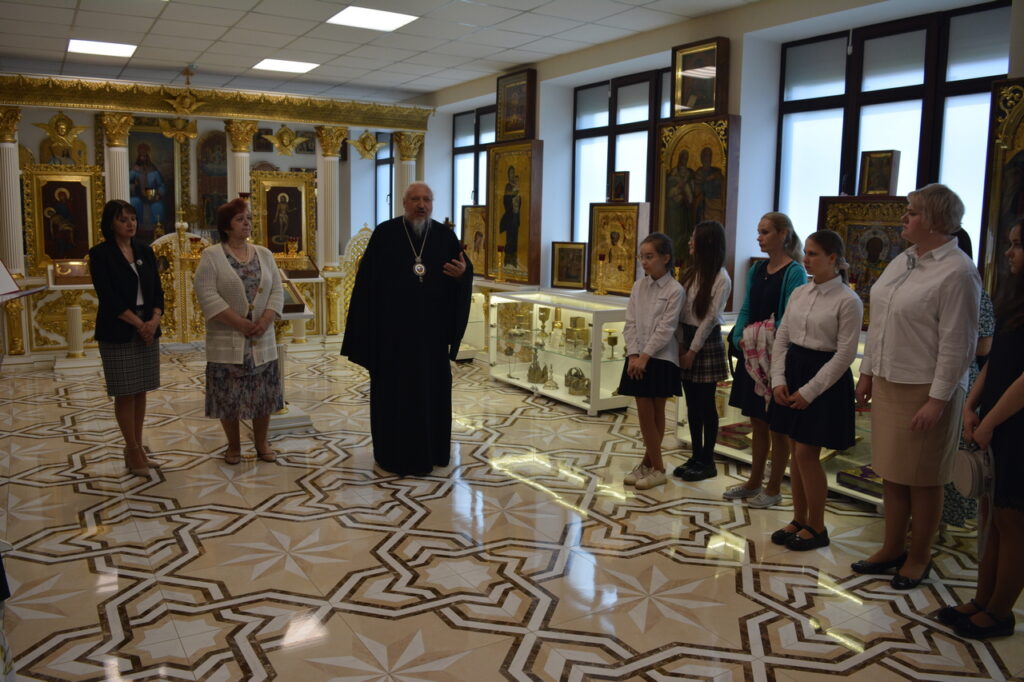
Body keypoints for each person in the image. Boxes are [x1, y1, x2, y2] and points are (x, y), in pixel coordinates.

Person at [852, 184, 981, 590]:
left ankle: (919, 556)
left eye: (913, 212)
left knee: (924, 478)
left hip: (927, 388)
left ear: (937, 220)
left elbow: (959, 343)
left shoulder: (958, 271)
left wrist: (937, 400)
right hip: (890, 380)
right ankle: (892, 547)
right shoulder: (903, 259)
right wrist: (867, 372)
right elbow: (879, 322)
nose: (904, 218)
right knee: (892, 472)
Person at [341, 182, 472, 476]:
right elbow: (366, 286)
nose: (421, 204)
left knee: (431, 395)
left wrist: (463, 275)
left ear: (432, 203)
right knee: (395, 397)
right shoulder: (385, 234)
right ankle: (392, 455)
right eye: (415, 199)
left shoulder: (445, 236)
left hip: (431, 339)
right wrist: (369, 336)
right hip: (393, 339)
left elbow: (464, 271)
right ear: (404, 203)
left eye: (427, 199)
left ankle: (433, 452)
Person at [939, 220, 1024, 639]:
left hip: (1016, 424)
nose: (1008, 253)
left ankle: (1000, 611)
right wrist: (973, 404)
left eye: (1017, 245)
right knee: (991, 518)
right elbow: (996, 361)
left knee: (1013, 523)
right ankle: (981, 599)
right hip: (994, 415)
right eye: (1010, 244)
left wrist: (988, 421)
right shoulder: (1013, 298)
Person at [769, 230, 862, 550]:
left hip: (824, 380)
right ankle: (799, 519)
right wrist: (778, 379)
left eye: (813, 254)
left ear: (832, 258)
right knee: (796, 451)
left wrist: (810, 391)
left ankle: (818, 526)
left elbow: (845, 354)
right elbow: (783, 337)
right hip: (794, 369)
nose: (806, 259)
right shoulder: (800, 293)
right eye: (805, 253)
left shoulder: (848, 300)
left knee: (807, 452)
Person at [725, 212, 807, 508]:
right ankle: (753, 481)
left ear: (783, 234)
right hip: (753, 355)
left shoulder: (794, 272)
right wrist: (739, 337)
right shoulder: (757, 268)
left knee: (777, 427)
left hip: (776, 358)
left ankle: (774, 488)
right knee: (757, 422)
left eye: (765, 232)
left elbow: (788, 317)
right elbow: (747, 307)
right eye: (759, 232)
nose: (759, 237)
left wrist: (761, 338)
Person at [194, 198, 284, 464]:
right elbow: (207, 294)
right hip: (229, 339)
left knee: (263, 394)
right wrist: (239, 323)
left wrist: (265, 320)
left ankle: (262, 443)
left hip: (261, 338)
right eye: (240, 219)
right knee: (229, 396)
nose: (247, 223)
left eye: (248, 218)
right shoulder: (212, 256)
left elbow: (277, 290)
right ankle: (233, 446)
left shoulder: (264, 254)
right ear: (226, 226)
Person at [88, 199, 165, 476]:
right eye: (123, 219)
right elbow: (108, 297)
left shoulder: (145, 250)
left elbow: (157, 290)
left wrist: (154, 319)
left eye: (132, 218)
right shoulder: (101, 254)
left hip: (147, 325)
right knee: (125, 392)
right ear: (111, 224)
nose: (130, 224)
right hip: (119, 328)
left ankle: (138, 448)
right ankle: (132, 450)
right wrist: (140, 324)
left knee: (141, 388)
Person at [620, 232, 685, 491]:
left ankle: (657, 468)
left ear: (665, 258)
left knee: (656, 412)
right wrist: (633, 355)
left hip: (661, 357)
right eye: (642, 257)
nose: (644, 262)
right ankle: (650, 464)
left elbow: (666, 328)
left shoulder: (675, 290)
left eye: (650, 257)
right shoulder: (639, 286)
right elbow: (630, 322)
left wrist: (645, 356)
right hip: (638, 357)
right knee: (644, 412)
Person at [941, 229, 995, 530]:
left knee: (956, 448)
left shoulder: (975, 291)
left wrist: (950, 344)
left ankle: (950, 515)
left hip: (963, 376)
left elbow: (985, 346)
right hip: (936, 373)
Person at [674, 220, 732, 482]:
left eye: (694, 237)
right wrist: (680, 344)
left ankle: (708, 460)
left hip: (704, 342)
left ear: (706, 243)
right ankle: (695, 455)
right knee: (692, 403)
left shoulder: (721, 277)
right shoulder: (690, 273)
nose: (689, 241)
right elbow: (680, 312)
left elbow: (709, 319)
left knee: (706, 404)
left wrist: (692, 351)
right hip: (686, 338)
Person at [499, 166, 522, 267]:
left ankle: (514, 258)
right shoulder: (508, 186)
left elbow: (520, 199)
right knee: (509, 238)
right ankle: (508, 258)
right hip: (510, 216)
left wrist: (518, 200)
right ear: (508, 175)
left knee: (515, 237)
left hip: (516, 216)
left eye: (513, 173)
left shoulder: (517, 185)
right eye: (510, 173)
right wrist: (513, 197)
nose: (512, 175)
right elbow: (506, 200)